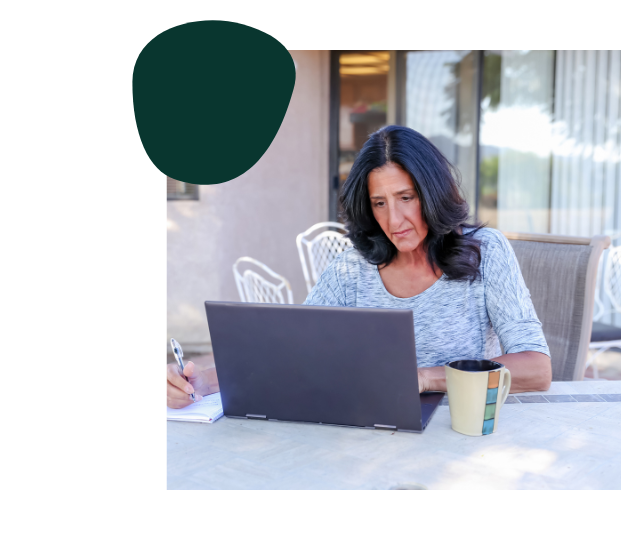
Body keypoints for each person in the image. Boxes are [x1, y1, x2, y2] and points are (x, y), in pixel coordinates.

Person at [166, 126, 551, 410]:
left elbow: (536, 369)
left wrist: (423, 377)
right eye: (380, 203)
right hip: (372, 438)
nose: (394, 219)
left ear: (433, 193)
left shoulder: (485, 251)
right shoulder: (352, 267)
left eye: (406, 197)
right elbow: (291, 350)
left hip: (462, 435)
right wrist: (203, 381)